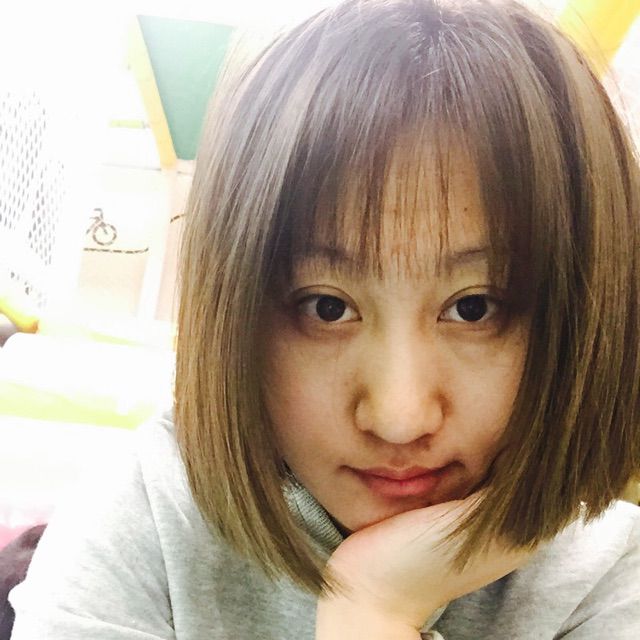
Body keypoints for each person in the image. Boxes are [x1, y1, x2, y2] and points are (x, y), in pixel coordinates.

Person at [9, 0, 640, 638]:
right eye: (327, 307)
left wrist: (374, 609)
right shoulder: (148, 513)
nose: (398, 417)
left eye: (473, 308)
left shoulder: (609, 577)